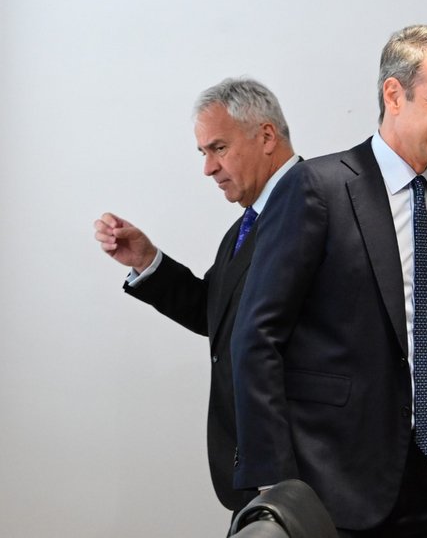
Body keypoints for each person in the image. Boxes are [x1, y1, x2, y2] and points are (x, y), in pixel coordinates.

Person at [231, 25, 427, 537]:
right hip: (325, 483)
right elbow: (257, 337)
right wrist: (277, 480)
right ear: (394, 94)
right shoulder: (316, 187)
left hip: (424, 474)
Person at [93, 77, 299, 512]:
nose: (208, 168)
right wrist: (147, 260)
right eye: (203, 152)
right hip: (263, 475)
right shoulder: (248, 223)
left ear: (266, 136)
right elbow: (219, 316)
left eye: (218, 148)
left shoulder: (317, 203)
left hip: (300, 472)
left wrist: (278, 471)